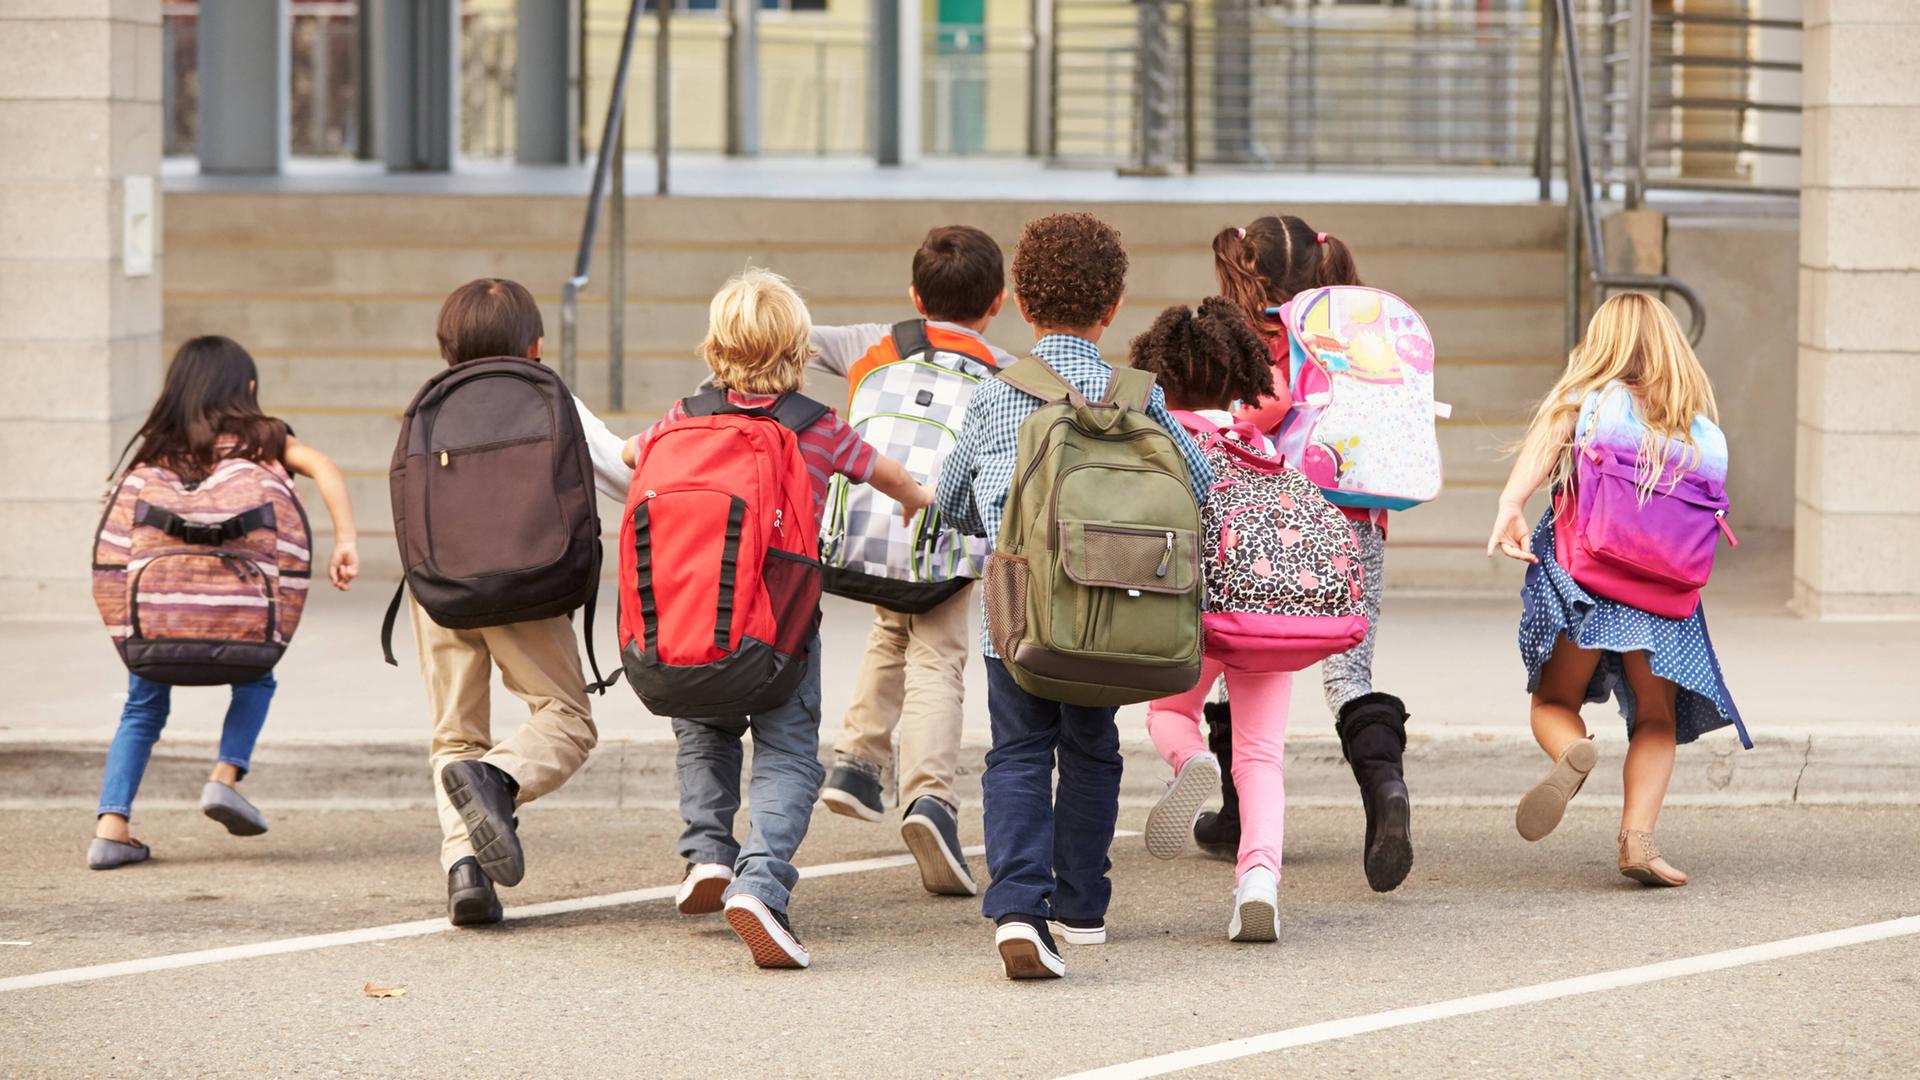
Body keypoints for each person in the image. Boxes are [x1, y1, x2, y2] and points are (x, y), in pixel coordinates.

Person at [626, 268, 936, 968]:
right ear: (798, 350)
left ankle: (707, 853)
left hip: (694, 625)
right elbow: (884, 473)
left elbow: (628, 454)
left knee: (704, 733)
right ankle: (760, 882)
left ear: (715, 347)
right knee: (789, 753)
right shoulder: (816, 427)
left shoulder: (683, 417)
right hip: (780, 635)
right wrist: (917, 496)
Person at [937, 213, 1213, 979]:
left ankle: (1020, 909)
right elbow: (1204, 488)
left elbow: (953, 500)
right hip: (1114, 615)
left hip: (1020, 620)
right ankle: (1083, 907)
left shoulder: (999, 396)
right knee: (1091, 752)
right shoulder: (1139, 398)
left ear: (1022, 302)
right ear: (1112, 305)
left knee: (1018, 753)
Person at [1487, 292, 1747, 887]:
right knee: (1657, 717)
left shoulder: (1590, 402)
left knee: (1555, 702)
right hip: (1664, 595)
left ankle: (1571, 751)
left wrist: (1510, 504)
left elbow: (1551, 431)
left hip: (1587, 580)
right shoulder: (1697, 428)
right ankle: (1639, 842)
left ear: (1601, 344)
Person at [408, 278, 634, 927]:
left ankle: (465, 869)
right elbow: (623, 477)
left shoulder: (431, 404)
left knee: (455, 736)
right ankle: (499, 781)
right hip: (527, 586)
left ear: (445, 345)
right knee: (566, 718)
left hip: (439, 587)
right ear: (535, 345)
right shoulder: (547, 397)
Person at [88, 335, 360, 870]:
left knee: (142, 707)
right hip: (242, 617)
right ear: (248, 389)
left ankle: (111, 827)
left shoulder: (155, 448)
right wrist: (346, 538)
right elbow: (324, 466)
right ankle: (224, 776)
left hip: (160, 616)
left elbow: (116, 541)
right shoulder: (265, 440)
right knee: (256, 678)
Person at [1208, 214, 1415, 894]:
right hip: (1353, 522)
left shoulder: (1251, 342)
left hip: (1268, 526)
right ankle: (1385, 789)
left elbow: (1254, 415)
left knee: (1238, 657)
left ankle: (1241, 812)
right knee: (1349, 676)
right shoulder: (1355, 336)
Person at [810, 225, 1016, 898]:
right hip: (943, 532)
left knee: (891, 623)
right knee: (938, 659)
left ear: (913, 295)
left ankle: (857, 761)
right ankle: (930, 800)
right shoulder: (1004, 370)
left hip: (865, 528)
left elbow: (792, 337)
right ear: (998, 304)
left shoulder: (872, 342)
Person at [1129, 299, 1303, 942]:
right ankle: (1258, 882)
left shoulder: (1158, 439)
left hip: (1187, 613)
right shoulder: (1259, 445)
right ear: (1239, 377)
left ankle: (1191, 760)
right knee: (1261, 756)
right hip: (1265, 617)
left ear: (1162, 374)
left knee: (1170, 713)